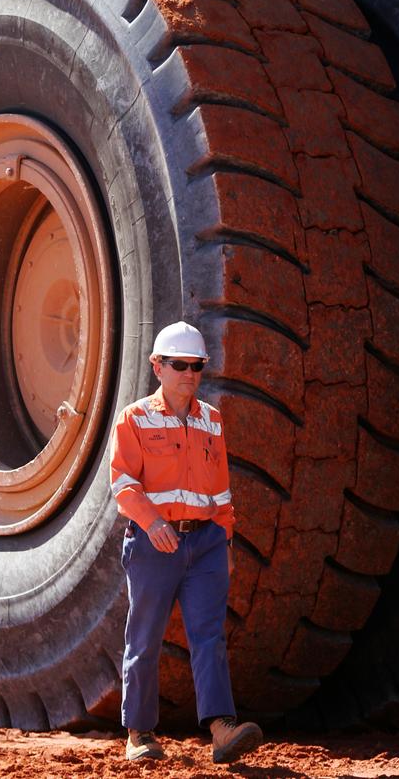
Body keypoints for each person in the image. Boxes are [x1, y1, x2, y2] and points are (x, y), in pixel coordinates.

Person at [110, 321, 263, 763]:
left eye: (196, 366)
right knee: (145, 638)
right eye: (179, 365)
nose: (189, 374)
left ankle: (221, 730)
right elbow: (122, 482)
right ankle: (139, 733)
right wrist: (151, 522)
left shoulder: (211, 420)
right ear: (157, 366)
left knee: (209, 637)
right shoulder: (135, 418)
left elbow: (221, 494)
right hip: (153, 545)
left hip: (207, 545)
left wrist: (226, 543)